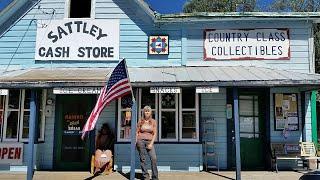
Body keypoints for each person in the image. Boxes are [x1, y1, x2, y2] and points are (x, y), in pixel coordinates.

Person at [136, 106, 158, 180]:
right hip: (140, 141)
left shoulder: (153, 121)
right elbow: (137, 132)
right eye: (146, 111)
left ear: (151, 112)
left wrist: (151, 143)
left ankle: (155, 177)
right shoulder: (140, 121)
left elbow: (155, 133)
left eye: (148, 111)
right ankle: (146, 176)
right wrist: (136, 142)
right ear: (144, 112)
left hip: (149, 141)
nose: (147, 112)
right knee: (143, 159)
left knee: (154, 158)